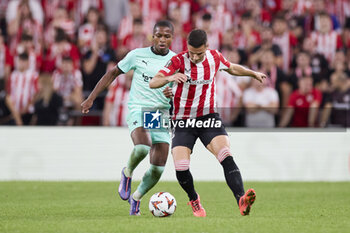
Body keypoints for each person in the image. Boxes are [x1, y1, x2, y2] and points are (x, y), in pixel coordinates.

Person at [150, 29, 266, 217]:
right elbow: (154, 82)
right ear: (187, 47)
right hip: (182, 120)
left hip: (208, 117)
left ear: (207, 47)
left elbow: (232, 68)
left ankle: (241, 199)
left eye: (199, 53)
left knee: (225, 154)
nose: (195, 57)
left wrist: (253, 74)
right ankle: (194, 199)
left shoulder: (214, 57)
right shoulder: (178, 60)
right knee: (181, 166)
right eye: (191, 53)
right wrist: (171, 77)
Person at [81, 20, 176, 215]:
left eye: (167, 36)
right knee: (142, 147)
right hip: (140, 107)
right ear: (153, 36)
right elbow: (112, 73)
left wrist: (173, 94)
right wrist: (91, 98)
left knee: (158, 168)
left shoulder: (177, 61)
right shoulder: (137, 55)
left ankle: (136, 199)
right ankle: (127, 173)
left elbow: (182, 89)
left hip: (160, 112)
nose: (162, 39)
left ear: (172, 38)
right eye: (159, 35)